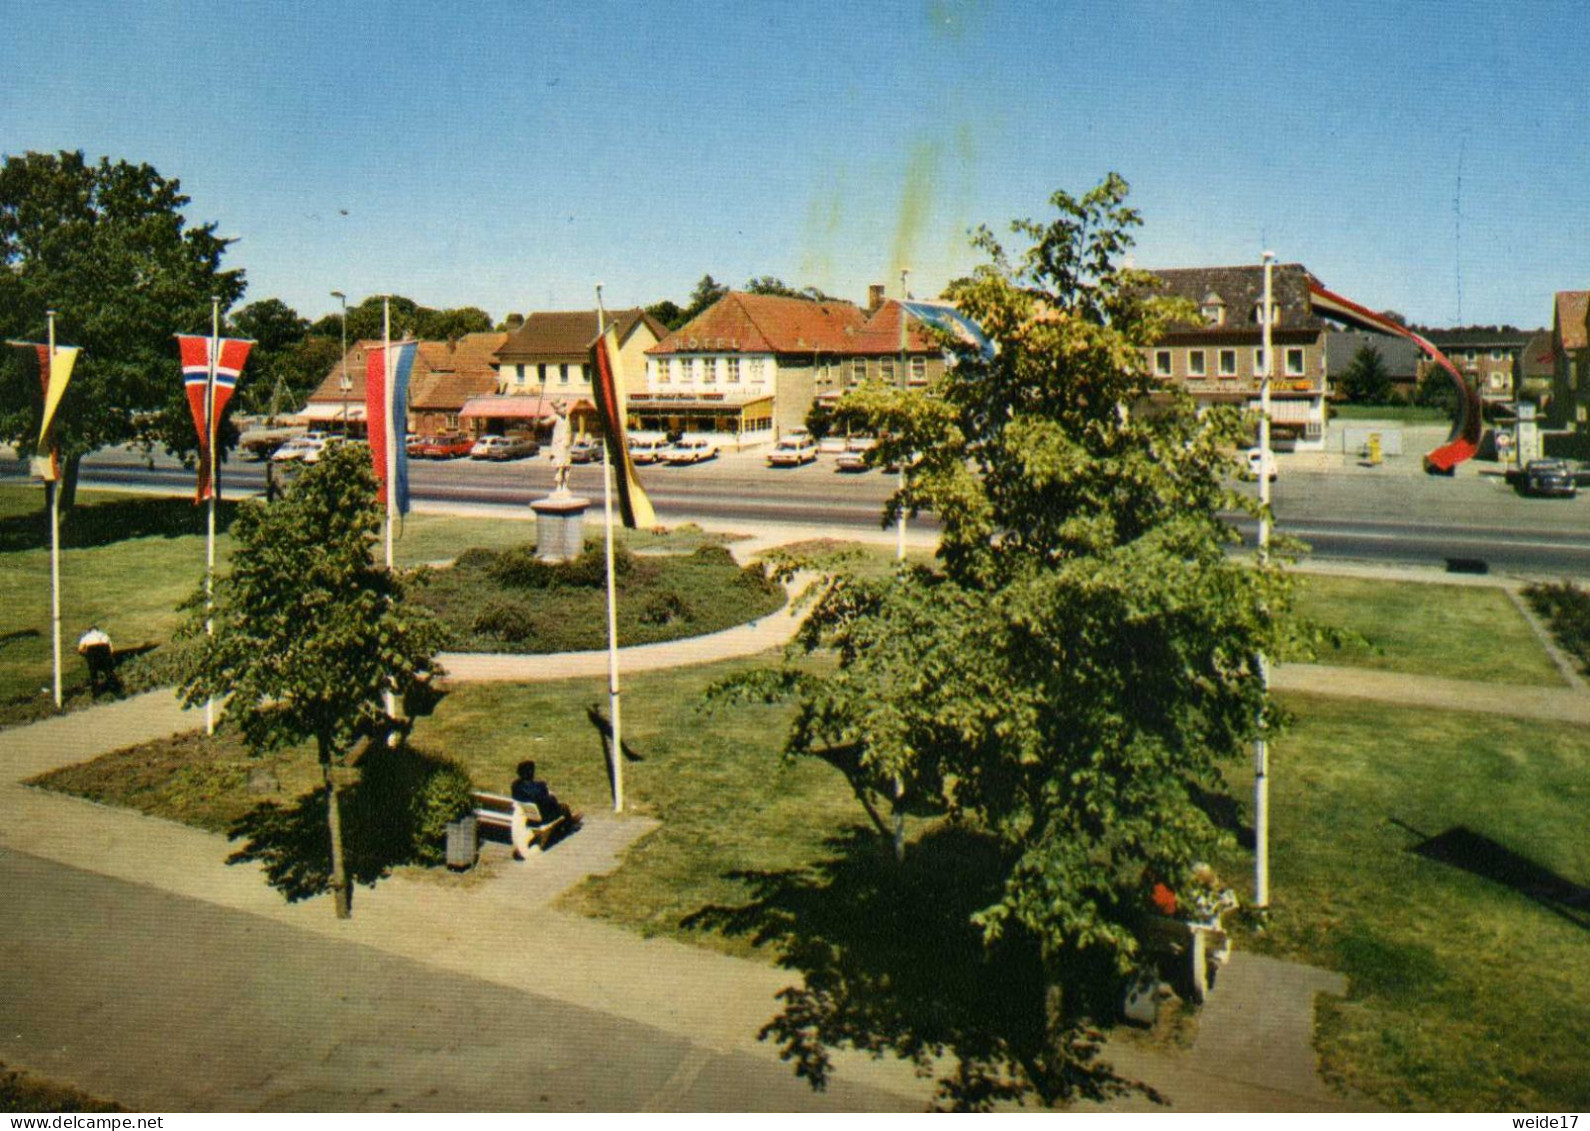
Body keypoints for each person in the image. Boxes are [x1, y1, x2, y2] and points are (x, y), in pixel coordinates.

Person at [509, 761, 572, 859]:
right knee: (564, 808)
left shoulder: (515, 786)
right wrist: (554, 800)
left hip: (528, 815)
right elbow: (551, 803)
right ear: (532, 772)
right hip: (542, 817)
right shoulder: (539, 787)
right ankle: (567, 828)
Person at [75, 626, 117, 697]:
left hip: (93, 652)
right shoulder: (105, 635)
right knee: (109, 671)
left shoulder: (86, 637)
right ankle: (114, 689)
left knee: (93, 673)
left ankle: (96, 693)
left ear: (90, 631)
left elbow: (80, 649)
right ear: (98, 630)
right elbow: (111, 650)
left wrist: (86, 655)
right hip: (104, 650)